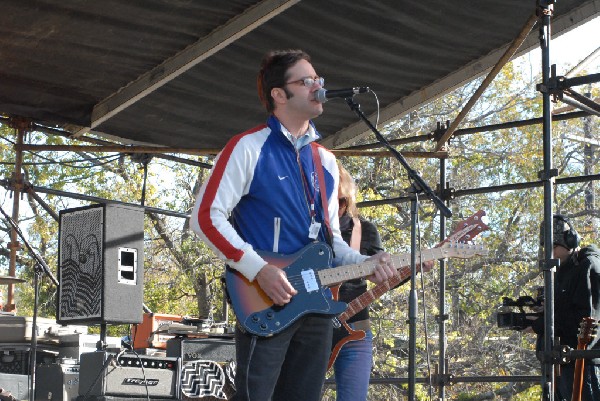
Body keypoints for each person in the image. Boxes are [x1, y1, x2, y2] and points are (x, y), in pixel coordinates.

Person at [190, 49, 396, 401]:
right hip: (264, 300)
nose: (318, 87)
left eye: (319, 80)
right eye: (306, 81)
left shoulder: (326, 162)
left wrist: (367, 263)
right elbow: (205, 218)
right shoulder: (247, 147)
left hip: (314, 304)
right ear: (279, 94)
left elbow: (333, 243)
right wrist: (259, 270)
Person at [531, 214, 600, 401]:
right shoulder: (560, 270)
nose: (550, 253)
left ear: (571, 241)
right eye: (547, 248)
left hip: (582, 363)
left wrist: (542, 323)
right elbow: (563, 310)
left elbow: (587, 319)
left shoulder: (588, 266)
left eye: (554, 247)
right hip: (559, 362)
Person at [332, 163, 383, 401]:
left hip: (356, 328)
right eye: (331, 201)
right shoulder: (308, 230)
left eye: (342, 201)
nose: (337, 207)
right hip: (312, 326)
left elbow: (384, 275)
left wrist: (414, 268)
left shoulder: (365, 231)